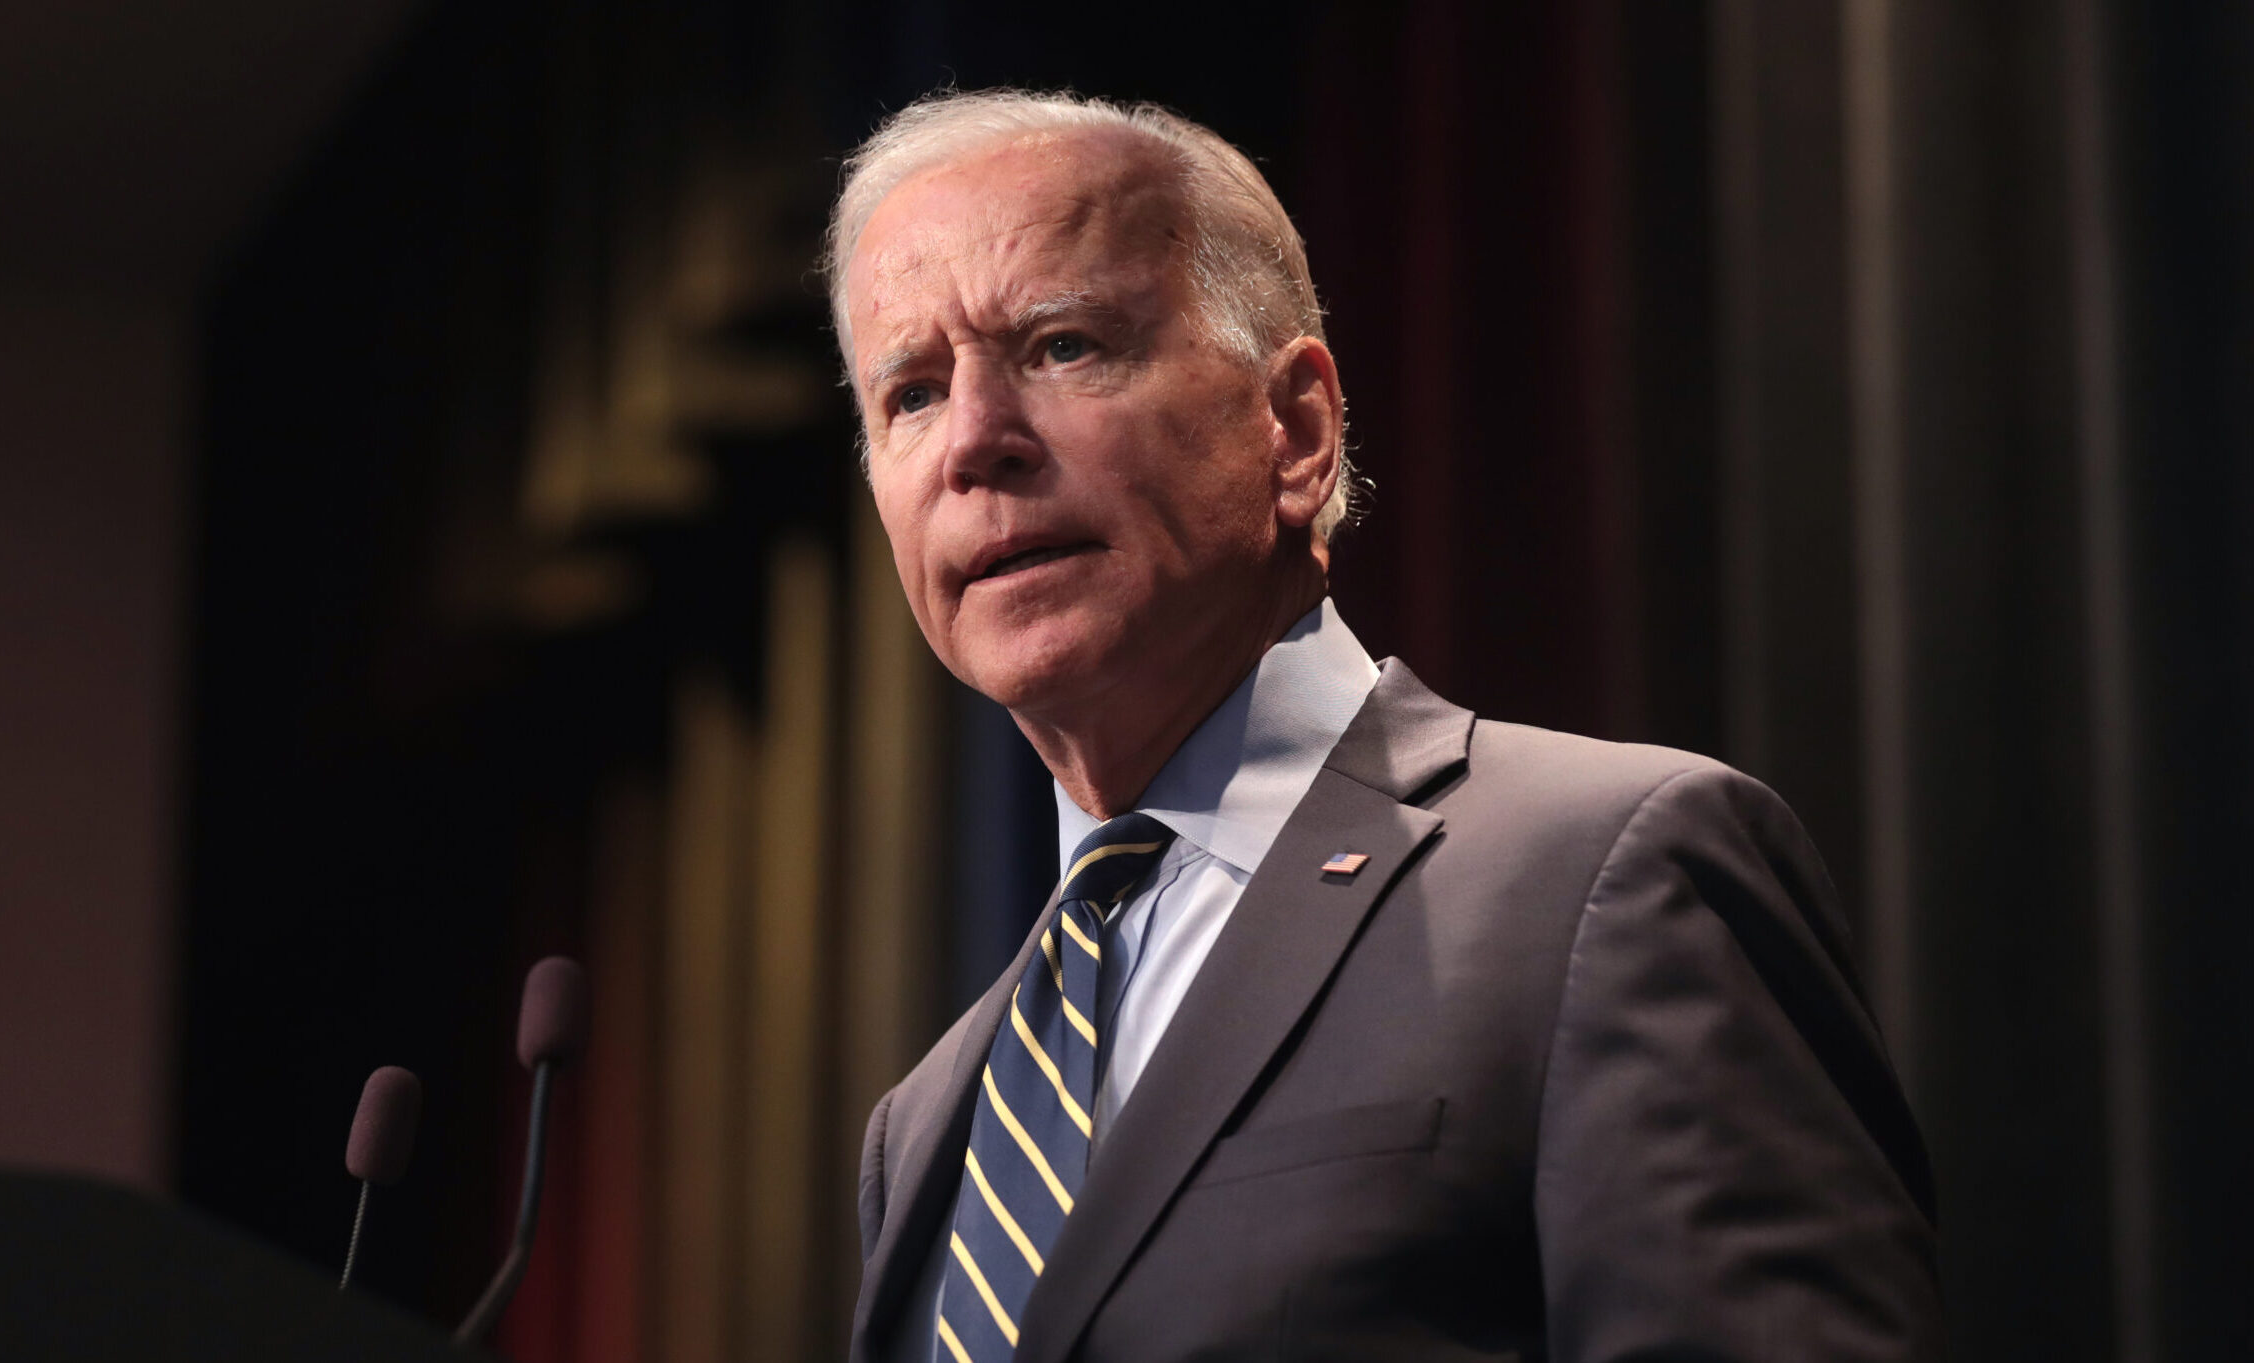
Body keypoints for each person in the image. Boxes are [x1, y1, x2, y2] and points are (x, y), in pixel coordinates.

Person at [829, 89, 1941, 1363]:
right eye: (912, 393)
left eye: (1063, 346)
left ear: (1296, 430)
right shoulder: (929, 1123)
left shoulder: (1607, 877)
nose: (974, 442)